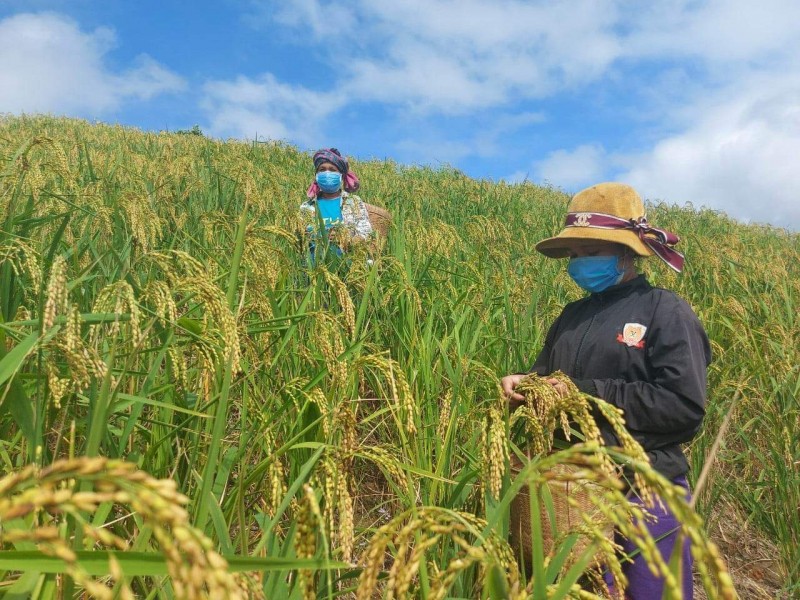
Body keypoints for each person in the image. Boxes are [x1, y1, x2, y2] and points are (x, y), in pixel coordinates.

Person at [501, 182, 711, 599]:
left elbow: (683, 406)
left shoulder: (665, 311)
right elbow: (548, 381)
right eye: (574, 254)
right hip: (571, 494)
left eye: (591, 251)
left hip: (644, 488)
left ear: (626, 253)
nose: (579, 263)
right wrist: (524, 385)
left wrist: (582, 393)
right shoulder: (572, 315)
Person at [300, 148, 374, 261]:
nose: (327, 173)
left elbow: (366, 233)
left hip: (347, 261)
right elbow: (299, 236)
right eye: (322, 169)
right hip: (314, 262)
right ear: (317, 175)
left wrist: (345, 238)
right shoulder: (307, 206)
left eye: (332, 169)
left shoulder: (353, 202)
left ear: (341, 175)